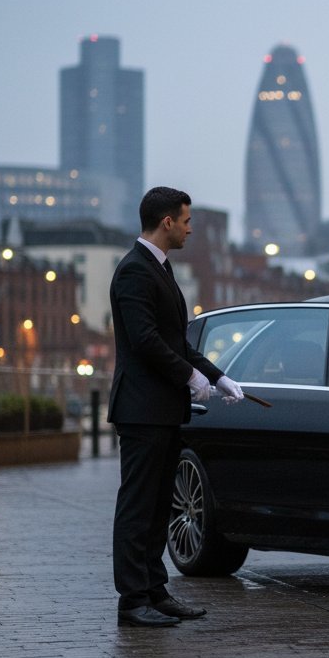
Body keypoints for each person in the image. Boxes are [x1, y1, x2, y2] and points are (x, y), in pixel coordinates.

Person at [108, 186, 245, 627]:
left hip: (162, 409)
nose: (190, 228)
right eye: (186, 220)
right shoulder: (133, 271)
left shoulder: (159, 269)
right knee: (138, 505)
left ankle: (154, 589)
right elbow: (145, 340)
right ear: (166, 222)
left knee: (157, 505)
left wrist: (218, 375)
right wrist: (190, 376)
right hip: (141, 409)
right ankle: (132, 600)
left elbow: (176, 341)